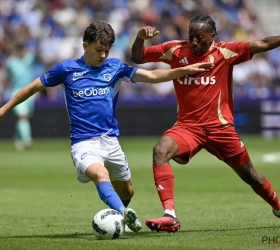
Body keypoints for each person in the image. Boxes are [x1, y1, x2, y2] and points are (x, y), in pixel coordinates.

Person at [0, 21, 213, 233]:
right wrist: (3, 110)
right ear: (85, 46)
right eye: (98, 50)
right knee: (100, 175)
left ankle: (119, 215)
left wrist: (184, 70)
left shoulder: (114, 67)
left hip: (111, 142)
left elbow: (151, 76)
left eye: (107, 50)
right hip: (83, 143)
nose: (103, 55)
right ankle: (125, 214)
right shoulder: (66, 70)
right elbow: (31, 88)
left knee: (127, 190)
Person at [131, 15, 280, 232]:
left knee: (251, 176)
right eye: (191, 36)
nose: (193, 42)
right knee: (160, 151)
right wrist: (139, 38)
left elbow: (262, 44)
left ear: (212, 36)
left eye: (199, 37)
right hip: (188, 127)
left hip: (221, 130)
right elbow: (138, 57)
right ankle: (170, 215)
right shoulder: (175, 50)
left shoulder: (225, 52)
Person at [6, 43, 36, 150]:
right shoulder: (11, 62)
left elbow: (38, 54)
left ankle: (17, 139)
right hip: (17, 92)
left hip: (30, 92)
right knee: (22, 116)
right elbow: (8, 76)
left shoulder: (29, 58)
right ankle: (27, 140)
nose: (22, 52)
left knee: (25, 118)